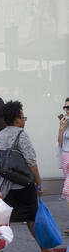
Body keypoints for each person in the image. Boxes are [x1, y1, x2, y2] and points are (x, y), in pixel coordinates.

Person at [0, 100, 67, 252]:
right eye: (23, 117)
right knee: (32, 216)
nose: (24, 120)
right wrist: (39, 182)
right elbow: (31, 161)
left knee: (1, 217)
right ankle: (46, 250)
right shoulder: (21, 134)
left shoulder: (0, 134)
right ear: (16, 119)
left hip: (4, 183)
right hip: (22, 184)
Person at [58, 97, 69, 235]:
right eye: (65, 107)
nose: (67, 110)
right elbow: (60, 143)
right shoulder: (65, 123)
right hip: (65, 156)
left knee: (68, 189)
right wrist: (61, 128)